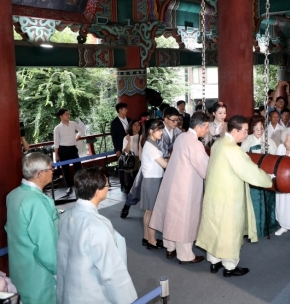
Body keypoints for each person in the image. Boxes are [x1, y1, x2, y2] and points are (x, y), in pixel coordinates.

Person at [196, 115, 272, 277]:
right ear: (235, 130)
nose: (246, 134)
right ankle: (230, 267)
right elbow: (250, 171)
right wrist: (268, 180)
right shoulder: (233, 150)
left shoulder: (218, 143)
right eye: (245, 131)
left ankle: (214, 262)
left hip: (214, 194)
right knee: (230, 231)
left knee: (215, 228)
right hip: (229, 197)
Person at [57, 167, 138, 304]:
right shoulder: (97, 226)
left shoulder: (66, 216)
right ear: (97, 191)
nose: (108, 187)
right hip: (91, 294)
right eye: (107, 185)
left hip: (69, 289)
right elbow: (111, 272)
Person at [150, 112, 210, 264]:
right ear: (198, 126)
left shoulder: (182, 136)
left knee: (172, 214)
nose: (207, 130)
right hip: (185, 185)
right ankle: (185, 255)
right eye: (206, 127)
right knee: (184, 219)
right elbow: (205, 168)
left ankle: (170, 247)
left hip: (173, 181)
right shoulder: (195, 144)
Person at [5, 152, 58, 304]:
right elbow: (46, 246)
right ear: (40, 173)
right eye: (50, 168)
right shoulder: (38, 202)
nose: (53, 171)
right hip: (39, 275)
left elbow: (10, 229)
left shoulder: (13, 195)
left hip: (19, 268)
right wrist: (59, 271)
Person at [241, 115, 279, 237]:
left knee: (267, 201)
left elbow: (275, 158)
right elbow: (242, 158)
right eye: (257, 129)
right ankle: (253, 228)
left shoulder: (270, 141)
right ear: (252, 128)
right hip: (252, 176)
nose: (259, 132)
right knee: (253, 203)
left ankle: (267, 226)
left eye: (262, 129)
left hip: (266, 175)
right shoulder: (247, 140)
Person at [141, 119, 168, 249]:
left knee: (149, 211)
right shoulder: (151, 146)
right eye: (159, 130)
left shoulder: (150, 144)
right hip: (152, 180)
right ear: (151, 131)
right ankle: (152, 240)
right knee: (152, 212)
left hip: (151, 179)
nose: (161, 132)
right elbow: (164, 164)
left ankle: (147, 237)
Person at [53, 108, 82, 195]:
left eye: (68, 114)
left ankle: (79, 185)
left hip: (73, 148)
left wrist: (77, 137)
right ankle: (69, 186)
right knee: (65, 169)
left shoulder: (73, 124)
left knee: (78, 167)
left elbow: (81, 130)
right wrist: (56, 155)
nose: (68, 115)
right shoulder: (57, 128)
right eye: (66, 114)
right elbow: (56, 142)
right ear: (60, 116)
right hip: (63, 149)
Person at [110, 102, 131, 194]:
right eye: (124, 109)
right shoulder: (114, 122)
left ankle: (130, 184)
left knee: (131, 164)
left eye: (126, 109)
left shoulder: (129, 120)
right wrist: (117, 149)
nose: (126, 110)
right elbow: (114, 137)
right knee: (122, 167)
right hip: (120, 147)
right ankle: (123, 185)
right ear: (119, 110)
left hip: (130, 146)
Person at [122, 119, 142, 194]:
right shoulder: (127, 137)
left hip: (140, 160)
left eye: (138, 125)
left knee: (139, 179)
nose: (137, 127)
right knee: (131, 179)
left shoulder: (142, 136)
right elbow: (126, 151)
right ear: (131, 126)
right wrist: (129, 141)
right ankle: (130, 195)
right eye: (135, 125)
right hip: (132, 160)